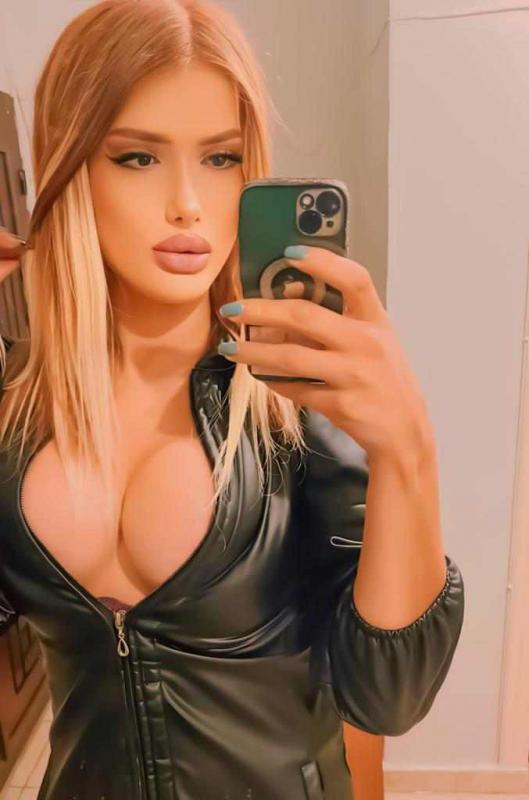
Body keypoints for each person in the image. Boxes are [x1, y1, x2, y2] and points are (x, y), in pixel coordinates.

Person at [0, 1, 465, 799]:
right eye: (137, 157)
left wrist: (408, 449)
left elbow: (388, 699)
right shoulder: (18, 412)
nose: (187, 201)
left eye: (220, 158)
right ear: (72, 168)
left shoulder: (295, 404)